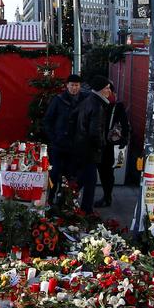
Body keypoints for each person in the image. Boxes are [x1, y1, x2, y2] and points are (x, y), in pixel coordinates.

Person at [72, 76, 115, 214]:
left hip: (82, 147)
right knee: (89, 182)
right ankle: (85, 210)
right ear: (100, 89)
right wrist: (102, 144)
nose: (109, 90)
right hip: (90, 150)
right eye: (107, 88)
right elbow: (95, 132)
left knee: (82, 179)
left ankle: (66, 201)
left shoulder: (88, 101)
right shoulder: (98, 106)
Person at [41, 74, 85, 199]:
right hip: (58, 144)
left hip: (75, 145)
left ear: (80, 86)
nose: (74, 88)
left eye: (76, 85)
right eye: (72, 85)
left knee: (72, 175)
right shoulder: (58, 99)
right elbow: (47, 120)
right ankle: (50, 199)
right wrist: (53, 137)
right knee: (54, 173)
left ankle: (67, 201)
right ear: (67, 86)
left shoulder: (84, 100)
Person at [95, 90, 131, 208]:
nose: (108, 94)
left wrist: (123, 140)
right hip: (102, 144)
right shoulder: (100, 104)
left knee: (106, 173)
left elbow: (125, 127)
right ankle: (106, 197)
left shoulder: (116, 107)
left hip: (109, 145)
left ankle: (107, 197)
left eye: (110, 91)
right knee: (104, 172)